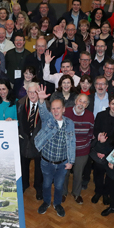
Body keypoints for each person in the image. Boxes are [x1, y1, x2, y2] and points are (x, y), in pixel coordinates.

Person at [34, 85, 76, 218]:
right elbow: (43, 112)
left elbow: (72, 142)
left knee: (58, 186)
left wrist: (71, 161)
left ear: (64, 109)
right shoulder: (48, 120)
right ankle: (46, 202)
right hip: (46, 162)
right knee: (46, 184)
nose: (56, 111)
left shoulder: (70, 123)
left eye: (58, 108)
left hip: (62, 164)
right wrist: (41, 101)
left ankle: (57, 204)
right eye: (53, 108)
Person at [89, 95, 114, 204]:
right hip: (100, 148)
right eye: (113, 104)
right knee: (98, 173)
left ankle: (106, 193)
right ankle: (98, 191)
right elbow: (96, 131)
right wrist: (99, 150)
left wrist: (109, 154)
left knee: (110, 174)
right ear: (109, 104)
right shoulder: (101, 115)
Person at [17, 83, 48, 200]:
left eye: (34, 92)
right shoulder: (20, 104)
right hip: (24, 139)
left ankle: (38, 186)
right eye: (29, 92)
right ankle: (24, 184)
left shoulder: (46, 104)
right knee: (23, 164)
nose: (31, 95)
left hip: (39, 140)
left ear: (38, 92)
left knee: (39, 166)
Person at [62, 94, 94, 205]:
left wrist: (84, 144)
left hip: (82, 151)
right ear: (75, 101)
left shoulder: (90, 116)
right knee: (64, 172)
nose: (81, 104)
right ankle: (63, 192)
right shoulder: (66, 112)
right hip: (66, 150)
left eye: (84, 102)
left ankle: (76, 193)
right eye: (80, 100)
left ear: (87, 105)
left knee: (78, 174)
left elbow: (91, 133)